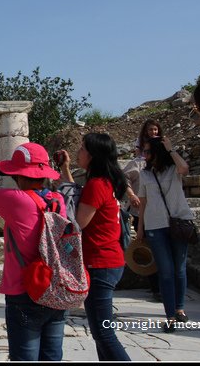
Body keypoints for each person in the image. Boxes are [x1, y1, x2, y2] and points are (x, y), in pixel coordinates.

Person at [0, 143, 67, 361]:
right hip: (55, 288)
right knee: (52, 356)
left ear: (19, 174)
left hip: (23, 290)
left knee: (24, 356)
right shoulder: (57, 200)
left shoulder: (16, 199)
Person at [57, 133, 131, 361]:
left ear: (93, 155)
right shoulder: (104, 182)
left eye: (82, 148)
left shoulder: (96, 185)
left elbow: (78, 222)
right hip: (108, 260)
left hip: (100, 263)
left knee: (104, 333)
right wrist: (66, 169)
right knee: (100, 333)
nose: (78, 151)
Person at [136, 135, 191, 333]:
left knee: (179, 268)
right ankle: (169, 316)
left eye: (149, 151)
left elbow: (184, 168)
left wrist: (171, 149)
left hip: (178, 222)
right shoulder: (145, 174)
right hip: (154, 225)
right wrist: (140, 227)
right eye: (144, 151)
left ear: (158, 152)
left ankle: (180, 308)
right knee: (165, 271)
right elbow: (143, 202)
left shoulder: (173, 168)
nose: (145, 155)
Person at [124, 119, 162, 300]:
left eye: (156, 130)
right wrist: (131, 195)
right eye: (150, 130)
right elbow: (124, 179)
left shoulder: (165, 164)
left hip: (163, 214)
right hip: (142, 214)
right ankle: (157, 288)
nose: (153, 132)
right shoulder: (137, 164)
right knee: (150, 250)